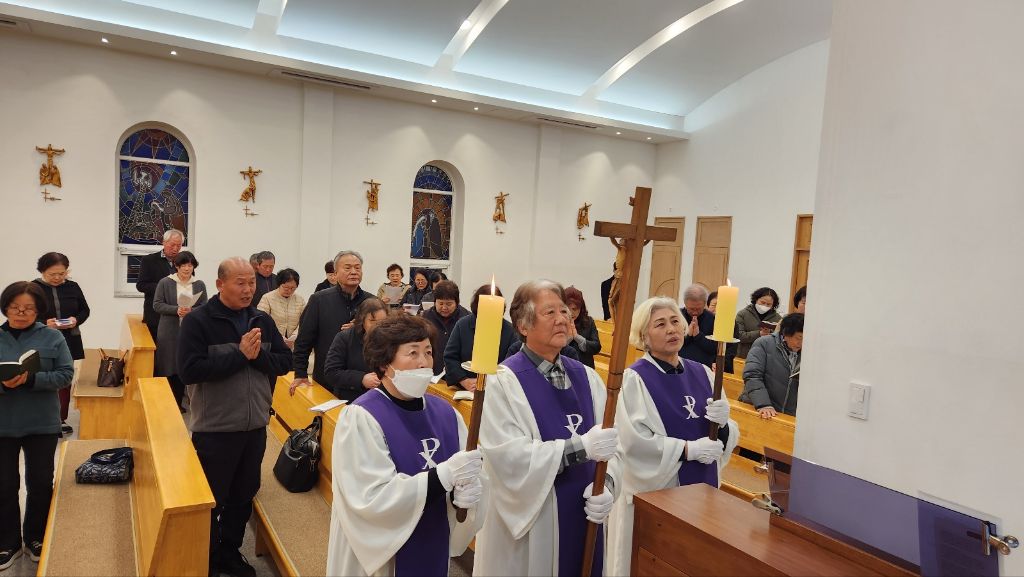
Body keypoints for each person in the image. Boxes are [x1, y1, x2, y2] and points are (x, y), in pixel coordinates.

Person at [473, 280, 620, 577]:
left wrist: (608, 487)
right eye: (550, 312)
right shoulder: (502, 383)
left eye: (564, 311)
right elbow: (508, 459)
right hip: (534, 525)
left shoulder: (589, 378)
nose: (562, 319)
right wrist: (581, 447)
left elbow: (613, 446)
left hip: (586, 512)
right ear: (523, 325)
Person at [326, 314, 484, 576]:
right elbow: (370, 499)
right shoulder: (361, 417)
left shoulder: (447, 414)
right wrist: (442, 477)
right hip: (383, 559)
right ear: (385, 363)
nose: (424, 362)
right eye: (413, 353)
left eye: (428, 352)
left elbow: (466, 473)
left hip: (432, 538)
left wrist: (464, 495)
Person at [605, 297, 738, 577]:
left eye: (675, 321)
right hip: (658, 492)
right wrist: (689, 450)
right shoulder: (634, 380)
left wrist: (724, 425)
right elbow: (631, 442)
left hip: (702, 489)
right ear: (643, 336)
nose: (671, 329)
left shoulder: (703, 373)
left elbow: (722, 436)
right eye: (660, 324)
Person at [177, 257, 292, 577]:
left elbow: (284, 362)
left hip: (255, 425)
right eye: (240, 283)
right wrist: (240, 355)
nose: (248, 289)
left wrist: (256, 357)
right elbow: (189, 371)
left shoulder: (261, 319)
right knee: (213, 497)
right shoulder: (199, 321)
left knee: (243, 494)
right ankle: (208, 556)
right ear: (220, 284)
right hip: (215, 428)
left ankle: (229, 551)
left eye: (251, 283)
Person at [0, 281, 74, 569]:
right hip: (3, 424)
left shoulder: (52, 337)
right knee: (4, 484)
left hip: (41, 423)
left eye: (29, 308)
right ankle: (7, 542)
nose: (21, 313)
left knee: (41, 483)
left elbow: (65, 374)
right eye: (15, 307)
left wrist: (32, 379)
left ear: (39, 310)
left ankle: (36, 537)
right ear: (5, 308)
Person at [291, 250, 373, 392]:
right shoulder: (319, 300)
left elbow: (383, 340)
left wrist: (363, 328)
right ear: (335, 273)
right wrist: (300, 373)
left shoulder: (371, 302)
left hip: (363, 382)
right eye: (347, 268)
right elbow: (304, 340)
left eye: (357, 267)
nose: (354, 272)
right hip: (327, 379)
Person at [32, 252, 89, 435]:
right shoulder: (33, 288)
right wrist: (43, 323)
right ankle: (42, 420)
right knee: (43, 379)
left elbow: (85, 310)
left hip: (69, 339)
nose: (57, 277)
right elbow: (25, 314)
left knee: (64, 379)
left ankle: (60, 420)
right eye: (52, 274)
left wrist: (75, 320)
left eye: (61, 273)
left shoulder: (73, 286)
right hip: (42, 340)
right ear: (42, 271)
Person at [153, 251, 207, 410]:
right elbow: (157, 305)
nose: (187, 268)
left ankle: (180, 404)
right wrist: (176, 310)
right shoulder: (165, 282)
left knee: (184, 365)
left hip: (190, 331)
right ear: (176, 266)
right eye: (183, 265)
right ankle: (167, 404)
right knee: (168, 366)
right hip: (169, 331)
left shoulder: (199, 284)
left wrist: (192, 311)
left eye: (190, 265)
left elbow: (205, 306)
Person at [443, 284, 515, 392]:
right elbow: (450, 357)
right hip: (464, 389)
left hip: (497, 391)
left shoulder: (510, 331)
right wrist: (464, 380)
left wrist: (491, 384)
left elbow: (512, 365)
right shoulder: (463, 325)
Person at [323, 299, 388, 402]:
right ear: (362, 320)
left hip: (382, 399)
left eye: (382, 322)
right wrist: (361, 379)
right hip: (351, 400)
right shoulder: (344, 338)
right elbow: (331, 373)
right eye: (372, 321)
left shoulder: (391, 339)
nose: (378, 326)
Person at [741, 313, 803, 419]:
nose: (801, 343)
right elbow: (752, 375)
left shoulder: (808, 353)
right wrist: (763, 404)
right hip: (760, 409)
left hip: (788, 415)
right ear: (786, 333)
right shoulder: (764, 343)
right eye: (799, 338)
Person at [136, 229, 183, 339]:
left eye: (179, 245)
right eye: (172, 245)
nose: (175, 249)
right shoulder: (149, 260)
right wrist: (163, 287)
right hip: (155, 316)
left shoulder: (184, 262)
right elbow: (141, 285)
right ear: (164, 242)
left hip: (178, 316)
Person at [420, 281, 470, 375]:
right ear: (435, 302)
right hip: (431, 371)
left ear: (457, 302)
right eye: (440, 303)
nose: (444, 307)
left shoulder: (466, 318)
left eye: (449, 304)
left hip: (458, 372)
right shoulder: (426, 316)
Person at [257, 268, 306, 349]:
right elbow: (262, 320)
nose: (289, 290)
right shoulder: (267, 298)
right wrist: (279, 337)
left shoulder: (300, 300)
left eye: (293, 288)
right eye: (286, 287)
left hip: (294, 343)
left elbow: (305, 321)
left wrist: (295, 336)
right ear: (279, 284)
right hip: (273, 342)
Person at [735, 287, 783, 359]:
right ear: (756, 299)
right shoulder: (742, 314)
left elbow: (781, 340)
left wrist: (771, 335)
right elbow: (738, 336)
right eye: (762, 302)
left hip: (766, 357)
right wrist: (759, 334)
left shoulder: (778, 318)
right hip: (744, 356)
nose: (765, 306)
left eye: (769, 304)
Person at [563, 286, 602, 368]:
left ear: (581, 308)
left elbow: (597, 347)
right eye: (568, 309)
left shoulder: (588, 321)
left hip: (585, 368)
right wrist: (568, 339)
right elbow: (550, 350)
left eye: (575, 309)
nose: (571, 313)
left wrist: (577, 338)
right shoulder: (557, 322)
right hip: (563, 369)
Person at [678, 284, 716, 368]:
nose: (695, 312)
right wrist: (688, 335)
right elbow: (671, 344)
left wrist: (698, 336)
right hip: (678, 365)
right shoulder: (677, 317)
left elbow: (714, 349)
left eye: (698, 309)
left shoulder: (713, 319)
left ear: (705, 304)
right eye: (691, 309)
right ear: (685, 303)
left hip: (703, 368)